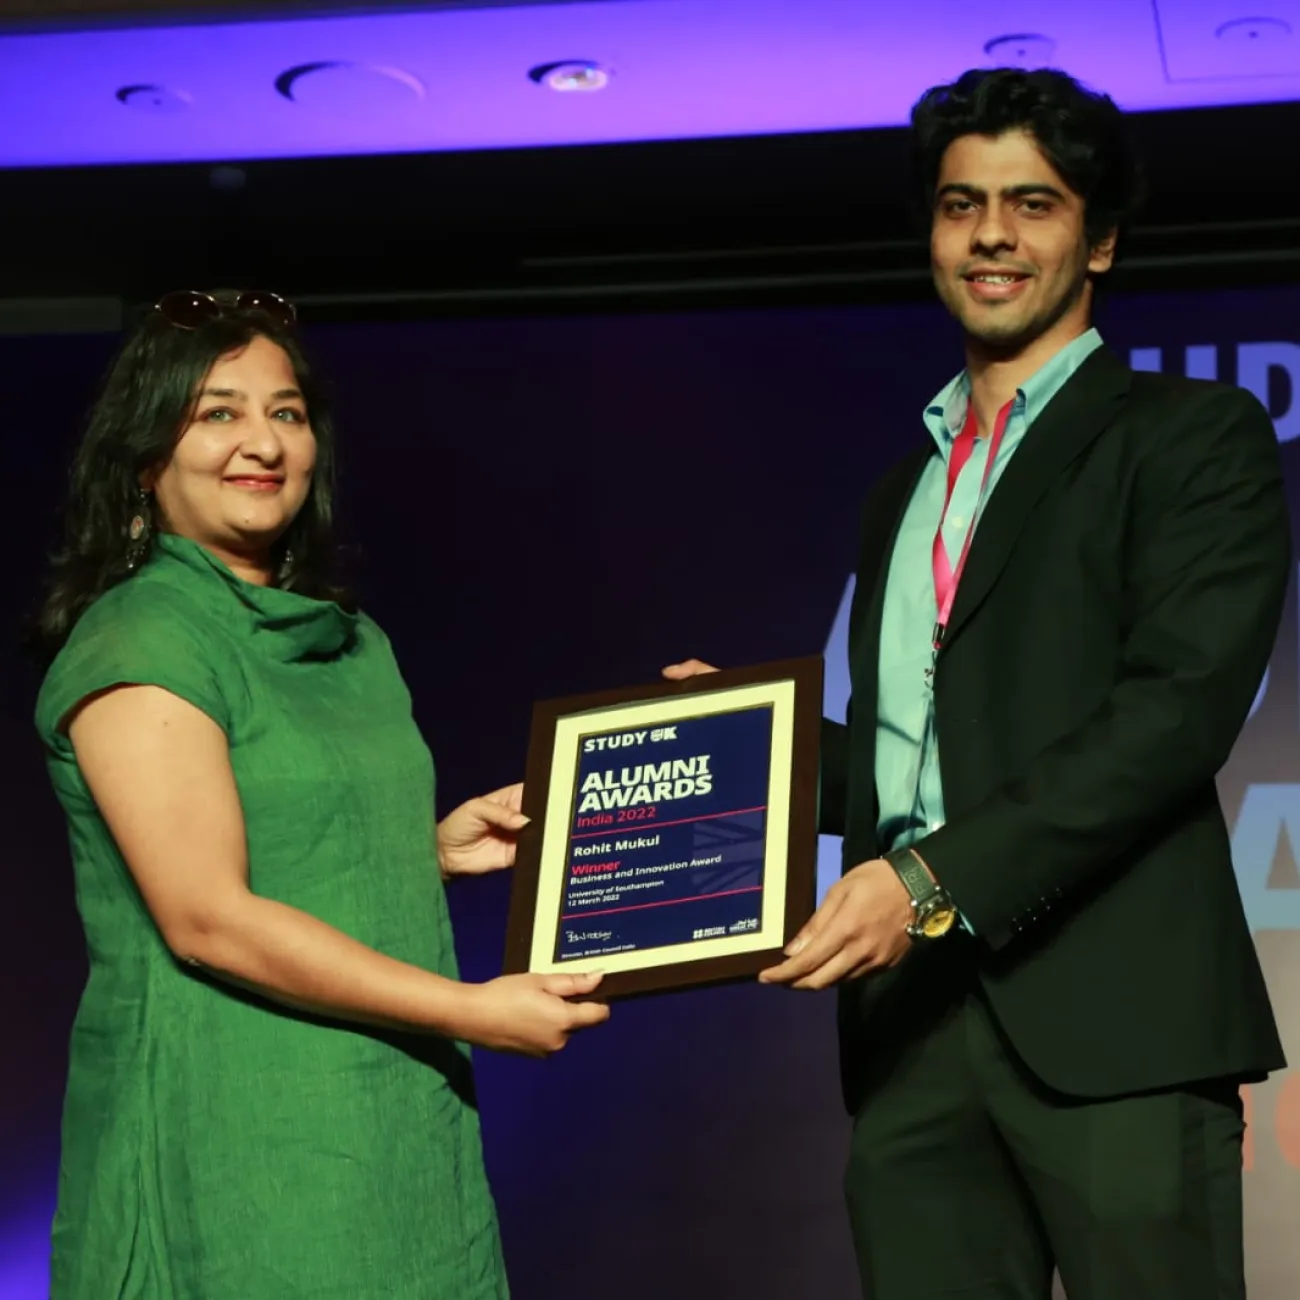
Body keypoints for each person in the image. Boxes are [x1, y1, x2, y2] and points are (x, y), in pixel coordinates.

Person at [666, 68, 1290, 1299]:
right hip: (910, 1033)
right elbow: (913, 763)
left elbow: (1172, 715)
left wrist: (927, 881)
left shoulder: (1191, 435)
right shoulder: (903, 487)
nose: (991, 234)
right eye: (961, 205)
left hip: (1115, 1020)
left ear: (1098, 241)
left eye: (1031, 203)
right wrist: (751, 739)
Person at [31, 289, 609, 1299]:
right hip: (239, 1141)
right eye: (218, 412)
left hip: (389, 1125)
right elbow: (208, 918)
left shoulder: (353, 642)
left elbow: (284, 842)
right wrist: (470, 1010)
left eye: (287, 413)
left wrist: (426, 853)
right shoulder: (144, 636)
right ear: (145, 458)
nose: (263, 442)